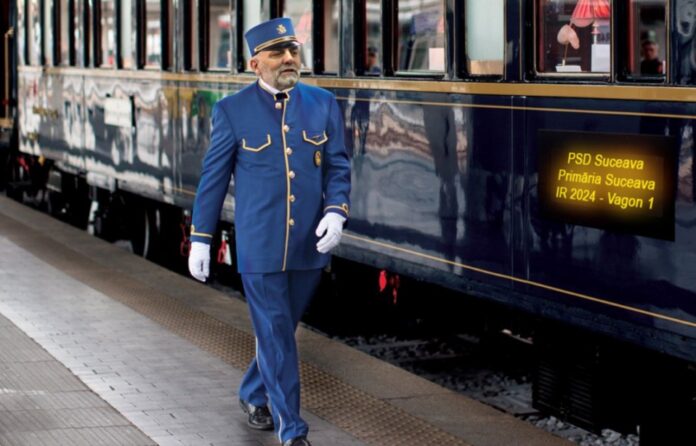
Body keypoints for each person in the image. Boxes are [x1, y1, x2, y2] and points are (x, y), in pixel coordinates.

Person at [187, 17, 351, 446]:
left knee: (280, 331)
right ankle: (291, 429)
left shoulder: (322, 103)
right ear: (254, 63)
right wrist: (201, 238)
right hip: (260, 247)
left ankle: (252, 391)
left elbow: (338, 165)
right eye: (277, 53)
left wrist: (336, 211)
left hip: (309, 243)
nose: (289, 58)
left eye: (293, 50)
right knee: (277, 336)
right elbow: (213, 180)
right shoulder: (232, 110)